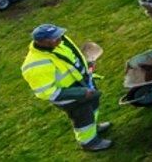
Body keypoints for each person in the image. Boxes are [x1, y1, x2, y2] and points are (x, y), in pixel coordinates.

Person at [20, 23, 112, 152]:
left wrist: (87, 67)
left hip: (82, 85)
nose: (60, 38)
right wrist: (81, 92)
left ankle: (93, 128)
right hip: (70, 96)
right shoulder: (35, 66)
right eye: (55, 37)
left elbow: (73, 59)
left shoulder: (59, 43)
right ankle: (89, 142)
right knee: (83, 117)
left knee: (92, 108)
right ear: (42, 42)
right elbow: (47, 93)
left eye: (59, 34)